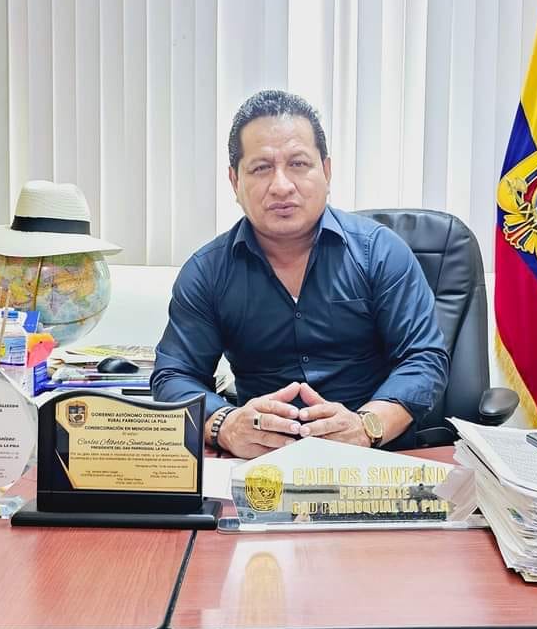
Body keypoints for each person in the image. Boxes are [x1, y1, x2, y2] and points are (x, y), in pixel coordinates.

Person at [152, 90, 449, 459]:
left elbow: (423, 358)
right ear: (234, 181)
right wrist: (224, 425)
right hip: (260, 467)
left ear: (326, 171)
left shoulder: (380, 253)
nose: (281, 186)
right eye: (261, 168)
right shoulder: (207, 271)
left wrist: (367, 426)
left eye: (298, 163)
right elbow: (173, 376)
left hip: (378, 458)